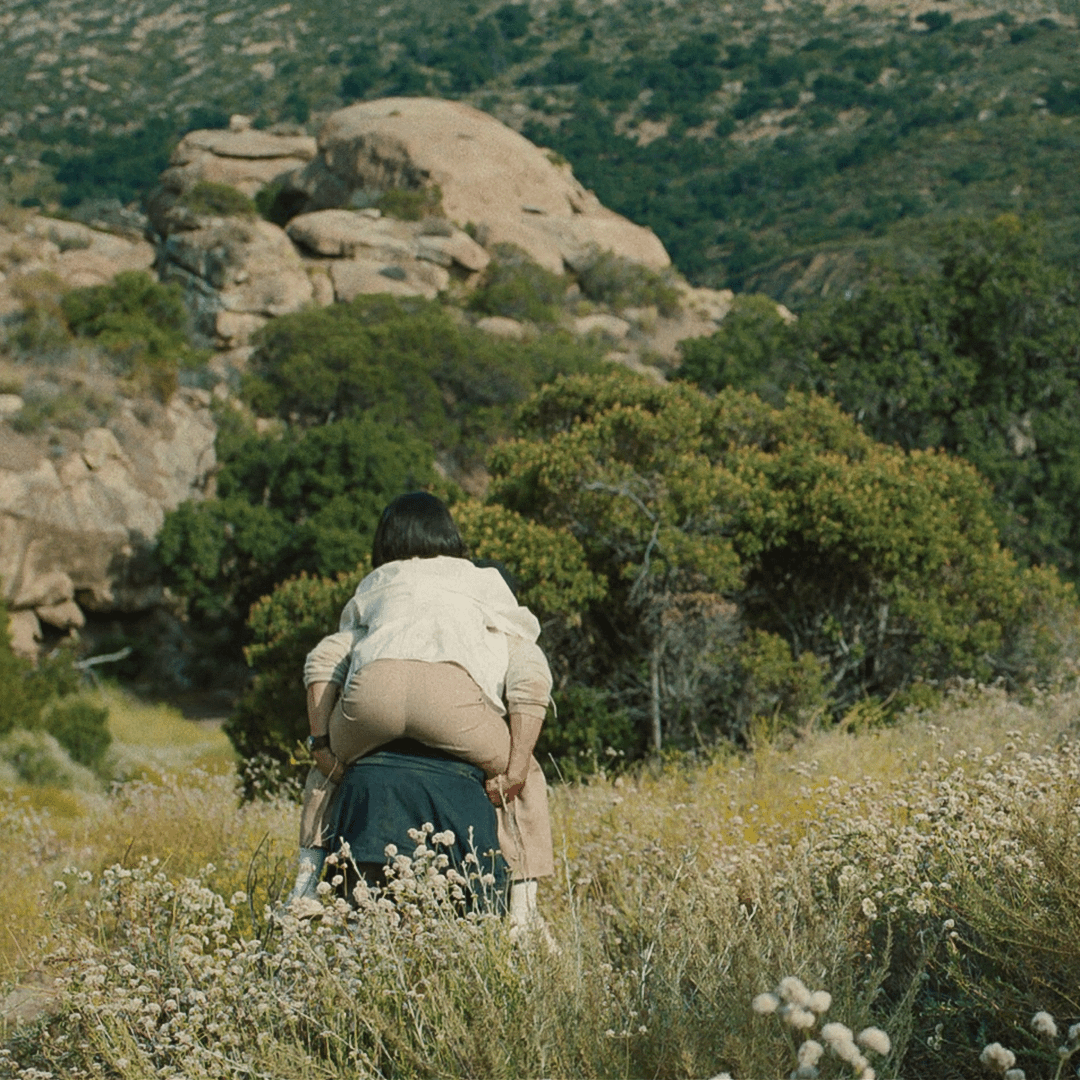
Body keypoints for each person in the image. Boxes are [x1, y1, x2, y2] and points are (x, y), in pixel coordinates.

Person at [287, 492, 555, 934]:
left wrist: (322, 746)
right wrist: (515, 767)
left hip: (373, 695)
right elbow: (531, 675)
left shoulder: (380, 581)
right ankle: (524, 917)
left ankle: (305, 887)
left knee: (329, 767)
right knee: (525, 777)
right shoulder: (481, 583)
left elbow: (323, 658)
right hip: (452, 701)